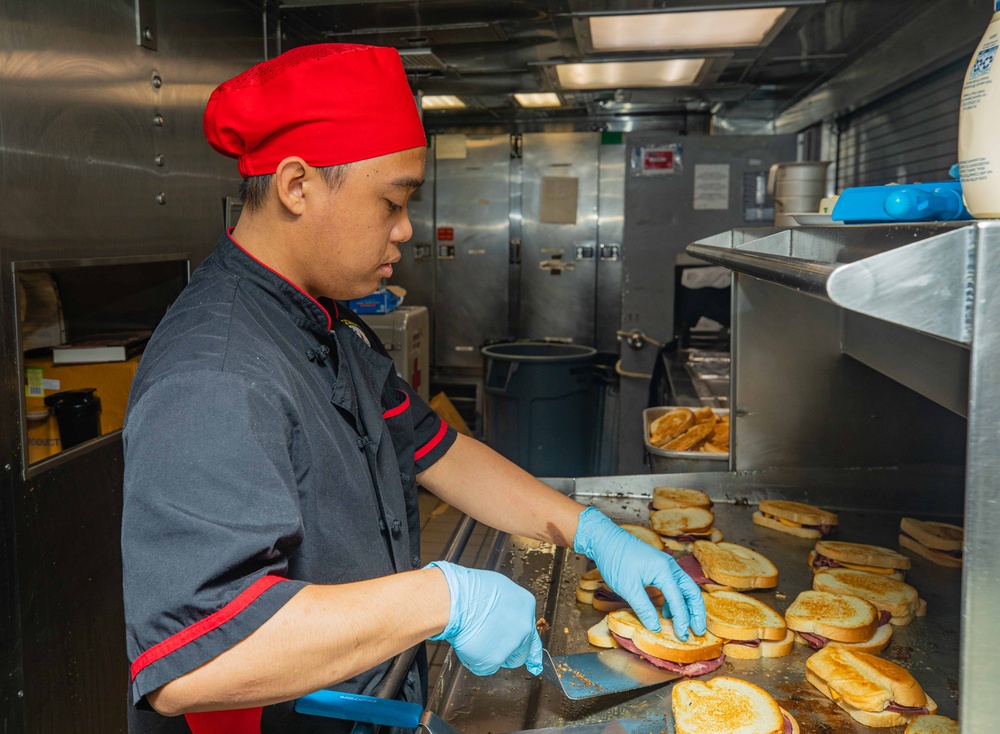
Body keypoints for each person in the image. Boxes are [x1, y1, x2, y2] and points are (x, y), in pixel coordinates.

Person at [121, 43, 705, 734]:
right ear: (297, 185)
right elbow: (193, 662)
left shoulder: (324, 324)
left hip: (372, 700)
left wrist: (597, 535)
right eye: (390, 202)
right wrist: (444, 600)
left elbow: (438, 450)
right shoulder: (215, 374)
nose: (404, 230)